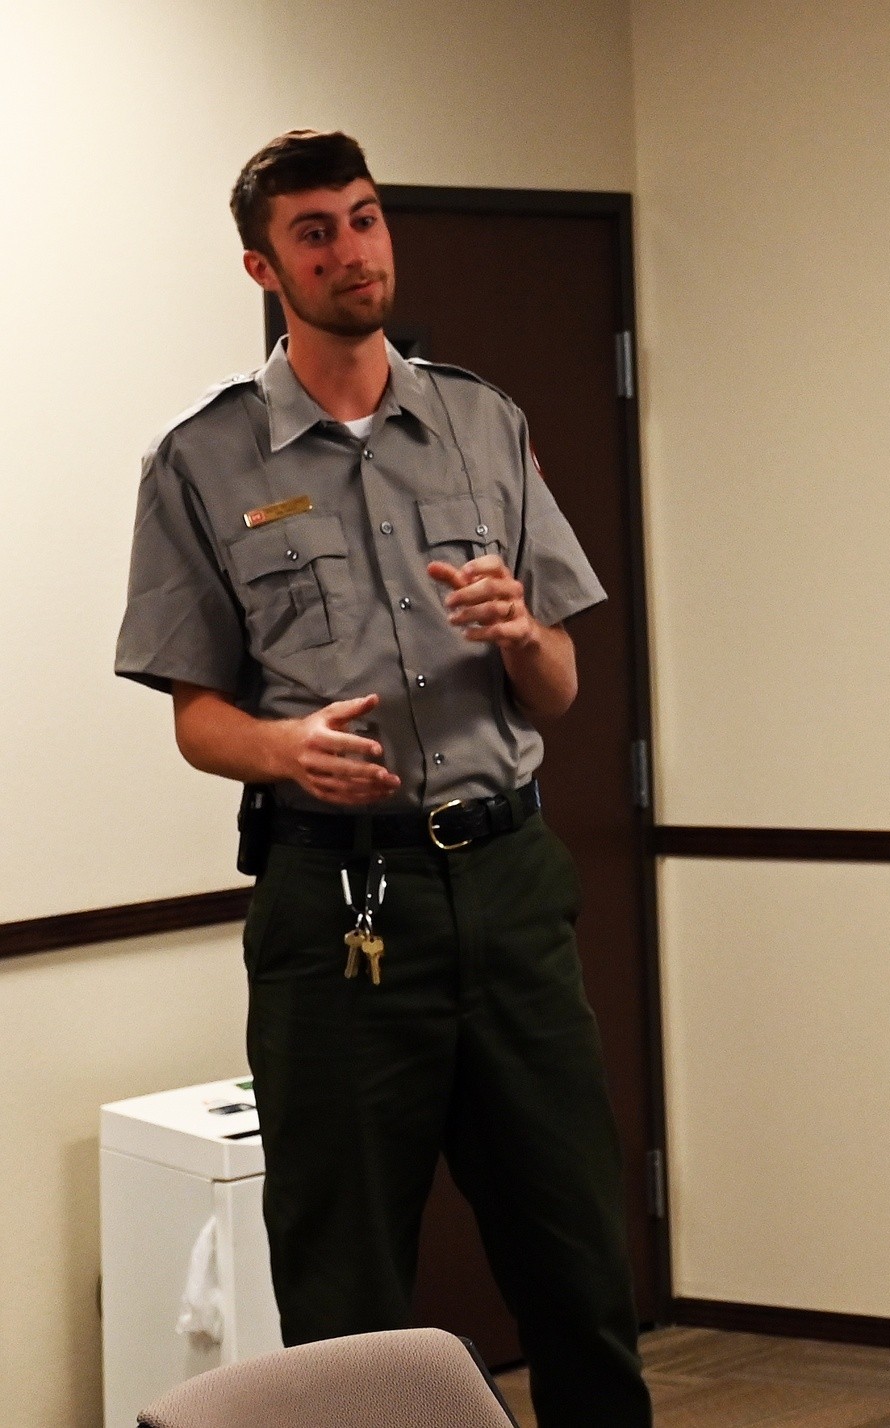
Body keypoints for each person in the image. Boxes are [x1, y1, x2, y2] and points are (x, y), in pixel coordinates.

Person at [115, 130, 651, 1427]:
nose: (353, 251)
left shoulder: (481, 419)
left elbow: (561, 688)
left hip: (510, 891)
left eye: (364, 219)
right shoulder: (205, 463)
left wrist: (521, 631)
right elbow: (197, 718)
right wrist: (281, 749)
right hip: (337, 905)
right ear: (264, 264)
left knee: (579, 1266)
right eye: (317, 232)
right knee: (344, 1299)